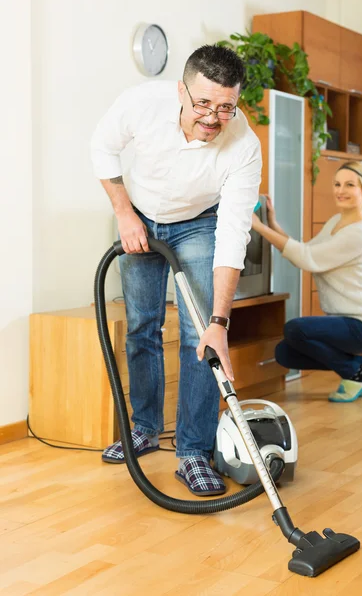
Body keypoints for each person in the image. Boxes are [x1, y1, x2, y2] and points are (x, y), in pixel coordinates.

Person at [91, 45, 261, 495]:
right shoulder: (142, 104)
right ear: (181, 90)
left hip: (200, 223)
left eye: (225, 107)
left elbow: (232, 235)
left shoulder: (244, 145)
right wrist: (124, 214)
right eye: (203, 103)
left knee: (199, 335)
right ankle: (144, 429)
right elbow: (103, 148)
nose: (212, 117)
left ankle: (192, 453)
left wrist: (220, 323)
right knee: (143, 326)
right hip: (140, 215)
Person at [251, 161, 362, 403]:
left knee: (295, 329)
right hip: (345, 320)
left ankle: (355, 370)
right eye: (337, 184)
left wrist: (259, 227)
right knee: (285, 353)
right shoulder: (338, 221)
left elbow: (307, 259)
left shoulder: (360, 233)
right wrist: (272, 224)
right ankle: (356, 366)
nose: (340, 190)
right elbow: (306, 251)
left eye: (349, 185)